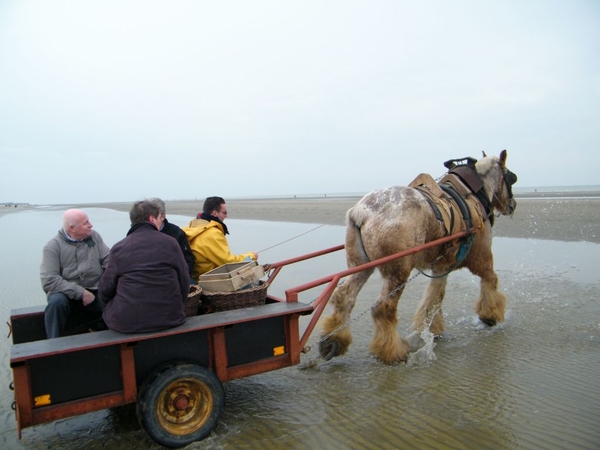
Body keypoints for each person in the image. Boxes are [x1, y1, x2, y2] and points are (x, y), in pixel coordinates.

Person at [99, 200, 189, 333]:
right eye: (160, 218)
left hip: (128, 324)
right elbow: (184, 282)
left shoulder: (119, 248)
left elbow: (105, 289)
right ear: (152, 218)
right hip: (171, 318)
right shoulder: (170, 242)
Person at [40, 209, 110, 339]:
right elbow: (49, 280)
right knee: (56, 303)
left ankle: (114, 342)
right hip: (66, 293)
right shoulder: (52, 247)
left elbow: (109, 261)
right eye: (85, 223)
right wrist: (80, 293)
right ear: (72, 228)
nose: (91, 225)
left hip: (95, 289)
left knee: (115, 299)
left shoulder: (94, 237)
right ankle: (53, 345)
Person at [183, 196, 258, 280]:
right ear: (215, 213)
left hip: (195, 276)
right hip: (208, 280)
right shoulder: (212, 233)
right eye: (224, 212)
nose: (227, 215)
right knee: (251, 280)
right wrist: (251, 256)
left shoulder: (193, 226)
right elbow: (229, 263)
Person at [150, 197, 195, 281]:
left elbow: (188, 260)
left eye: (154, 216)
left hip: (174, 276)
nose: (150, 220)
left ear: (163, 216)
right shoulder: (140, 234)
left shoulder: (176, 233)